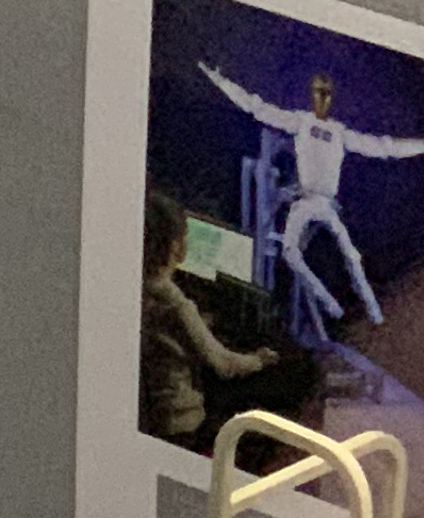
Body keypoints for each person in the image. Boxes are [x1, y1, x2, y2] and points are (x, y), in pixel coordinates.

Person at [200, 59, 424, 343]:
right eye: (318, 92)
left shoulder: (340, 132)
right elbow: (257, 107)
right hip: (304, 202)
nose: (322, 98)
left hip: (327, 204)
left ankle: (373, 311)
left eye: (326, 93)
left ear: (332, 98)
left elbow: (383, 147)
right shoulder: (300, 121)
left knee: (350, 254)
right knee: (290, 252)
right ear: (311, 94)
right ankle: (330, 304)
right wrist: (219, 80)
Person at [137, 185, 324, 456]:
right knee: (298, 373)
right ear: (175, 247)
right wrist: (259, 359)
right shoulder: (177, 306)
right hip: (182, 426)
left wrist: (199, 326)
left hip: (151, 416)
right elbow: (224, 365)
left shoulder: (140, 291)